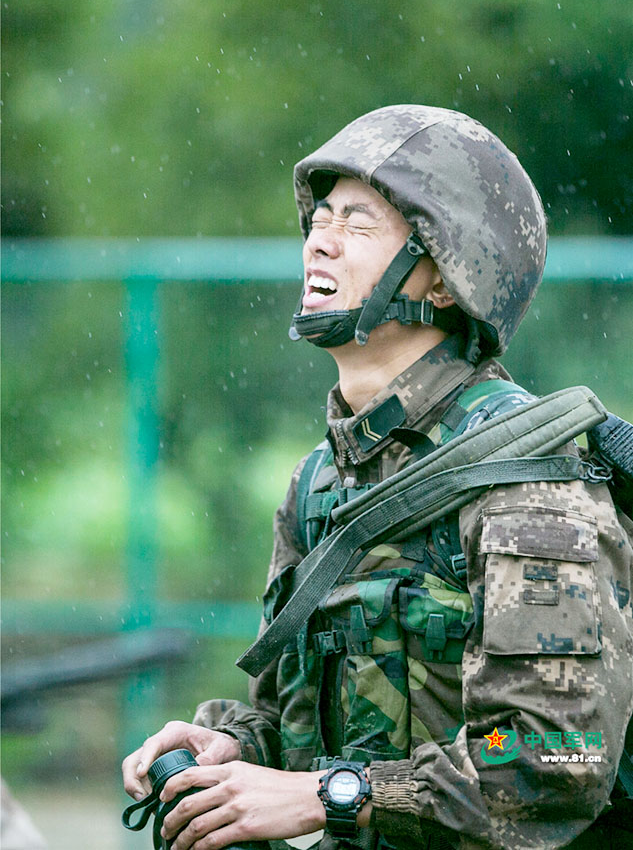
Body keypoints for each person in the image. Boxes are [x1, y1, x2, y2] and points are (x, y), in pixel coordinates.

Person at [122, 105, 633, 850]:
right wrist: (240, 749)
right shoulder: (320, 483)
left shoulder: (526, 482)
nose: (319, 241)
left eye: (358, 224)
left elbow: (553, 755)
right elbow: (304, 728)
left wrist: (333, 795)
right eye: (319, 219)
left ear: (445, 281)